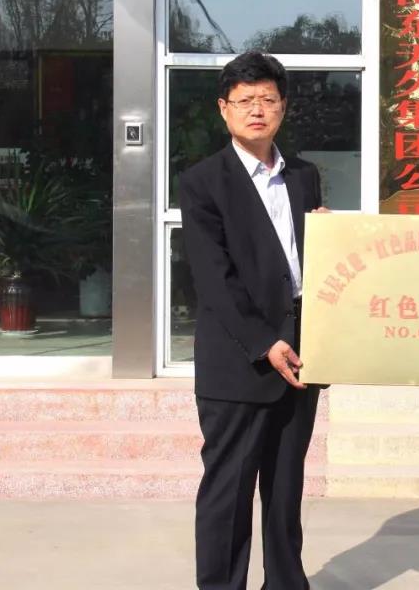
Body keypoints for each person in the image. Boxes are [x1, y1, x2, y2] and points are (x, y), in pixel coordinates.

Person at [179, 50, 325, 590]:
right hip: (239, 360)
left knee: (285, 491)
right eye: (244, 101)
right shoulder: (202, 182)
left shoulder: (304, 176)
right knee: (229, 491)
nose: (256, 110)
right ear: (224, 109)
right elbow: (213, 279)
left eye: (267, 99)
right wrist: (265, 342)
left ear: (283, 106)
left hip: (301, 353)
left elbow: (312, 263)